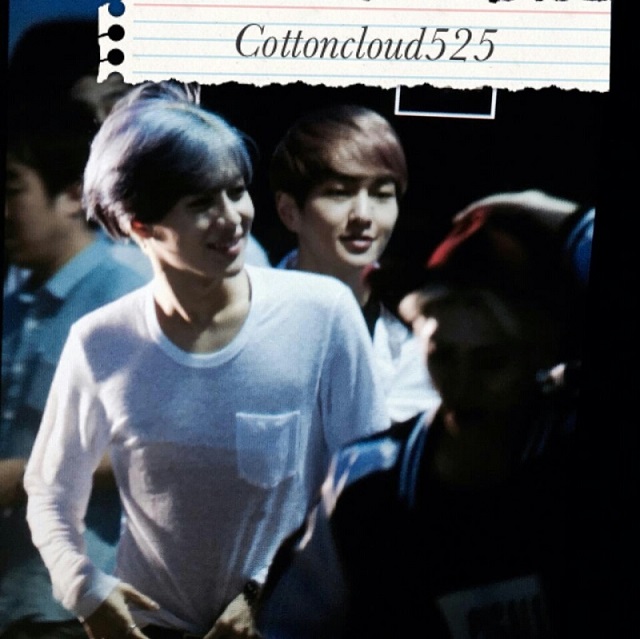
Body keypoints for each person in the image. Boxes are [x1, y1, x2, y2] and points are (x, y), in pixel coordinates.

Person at [23, 82, 389, 639]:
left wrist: (264, 593)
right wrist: (84, 588)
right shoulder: (101, 340)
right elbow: (50, 492)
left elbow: (366, 486)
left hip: (289, 623)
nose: (232, 217)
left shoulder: (322, 312)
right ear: (140, 225)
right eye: (201, 204)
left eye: (236, 191)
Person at [257, 190, 593, 638]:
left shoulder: (569, 451)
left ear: (536, 355)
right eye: (443, 355)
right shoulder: (368, 478)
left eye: (491, 362)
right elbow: (289, 627)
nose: (463, 385)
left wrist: (564, 218)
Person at [1, 69, 151, 639]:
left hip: (75, 609)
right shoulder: (14, 302)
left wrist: (25, 476)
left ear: (70, 195)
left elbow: (156, 444)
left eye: (12, 190)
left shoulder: (127, 296)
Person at [270, 104, 440, 424]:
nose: (363, 215)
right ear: (289, 211)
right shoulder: (249, 313)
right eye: (339, 193)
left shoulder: (420, 328)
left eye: (381, 194)